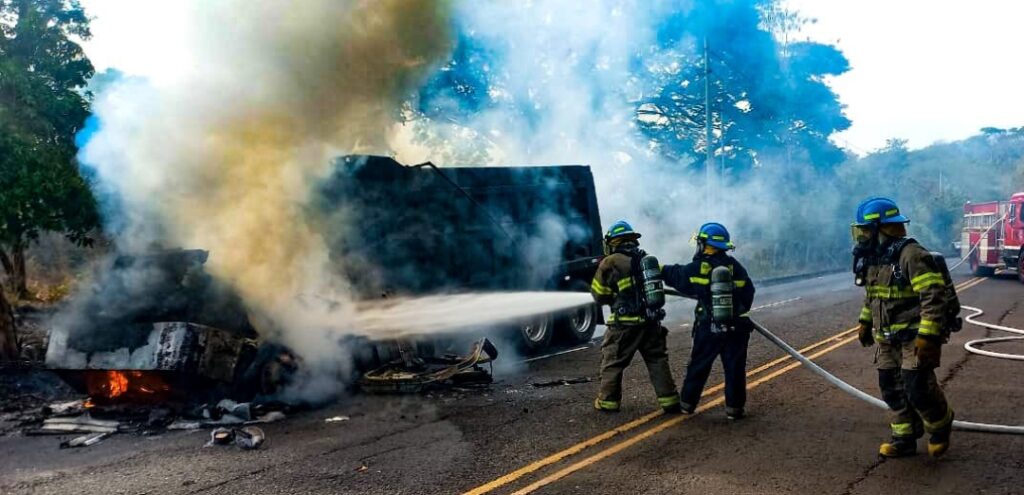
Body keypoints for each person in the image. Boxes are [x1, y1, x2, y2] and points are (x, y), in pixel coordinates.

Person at [851, 197, 955, 458]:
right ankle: (904, 438)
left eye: (865, 229)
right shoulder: (876, 257)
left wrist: (928, 337)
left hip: (914, 337)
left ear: (881, 228)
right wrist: (865, 322)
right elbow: (873, 296)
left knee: (917, 386)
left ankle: (940, 426)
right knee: (891, 387)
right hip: (887, 339)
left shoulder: (911, 255)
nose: (862, 235)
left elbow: (934, 295)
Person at [661, 222, 755, 419]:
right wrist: (737, 311)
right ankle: (734, 409)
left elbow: (678, 276)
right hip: (736, 328)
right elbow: (749, 291)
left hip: (709, 327)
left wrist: (658, 269)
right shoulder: (734, 266)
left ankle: (687, 405)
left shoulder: (699, 268)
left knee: (699, 366)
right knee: (735, 369)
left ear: (704, 244)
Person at [591, 220, 680, 413]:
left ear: (613, 242)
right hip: (651, 322)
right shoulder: (644, 258)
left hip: (625, 325)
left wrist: (613, 295)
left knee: (612, 362)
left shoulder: (610, 262)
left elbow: (599, 295)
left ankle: (608, 402)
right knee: (657, 360)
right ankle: (670, 401)